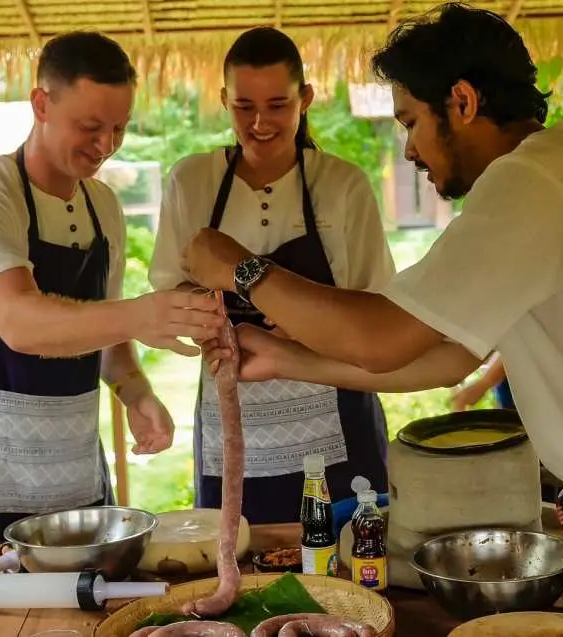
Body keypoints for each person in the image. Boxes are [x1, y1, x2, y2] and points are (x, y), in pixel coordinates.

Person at [182, 4, 563, 636]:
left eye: (410, 122)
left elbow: (382, 334)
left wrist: (238, 266)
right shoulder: (538, 182)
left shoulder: (535, 186)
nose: (408, 149)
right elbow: (447, 356)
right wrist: (289, 358)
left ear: (461, 101)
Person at [0, 32, 222, 637]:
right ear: (41, 104)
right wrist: (142, 313)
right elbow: (21, 321)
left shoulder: (103, 205)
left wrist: (133, 389)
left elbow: (100, 326)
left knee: (83, 618)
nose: (105, 145)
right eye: (89, 126)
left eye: (119, 129)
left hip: (69, 470)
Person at [148, 26, 396, 524]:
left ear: (305, 99)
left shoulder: (341, 184)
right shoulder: (191, 181)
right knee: (239, 559)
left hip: (337, 405)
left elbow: (380, 305)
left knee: (350, 560)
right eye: (244, 107)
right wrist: (209, 324)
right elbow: (169, 292)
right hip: (234, 413)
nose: (260, 122)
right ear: (224, 100)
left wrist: (304, 329)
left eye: (278, 105)